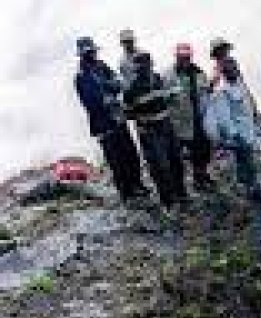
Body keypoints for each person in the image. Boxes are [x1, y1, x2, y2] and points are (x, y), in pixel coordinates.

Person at [74, 36, 147, 202]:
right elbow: (90, 102)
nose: (91, 54)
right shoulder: (80, 76)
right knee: (116, 161)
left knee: (131, 155)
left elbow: (118, 83)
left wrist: (108, 89)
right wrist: (107, 96)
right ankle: (126, 193)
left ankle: (138, 185)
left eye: (92, 51)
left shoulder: (102, 66)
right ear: (82, 54)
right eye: (88, 52)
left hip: (118, 119)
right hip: (103, 126)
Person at [124, 52, 187, 209]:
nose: (146, 69)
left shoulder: (159, 79)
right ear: (137, 70)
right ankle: (168, 202)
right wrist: (142, 118)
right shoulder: (131, 90)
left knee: (176, 161)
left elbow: (167, 99)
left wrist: (171, 98)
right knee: (160, 167)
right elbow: (128, 113)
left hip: (166, 125)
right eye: (142, 67)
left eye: (148, 65)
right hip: (150, 131)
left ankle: (181, 194)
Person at [204, 57, 261, 203]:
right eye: (230, 69)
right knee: (246, 167)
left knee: (248, 166)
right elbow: (225, 119)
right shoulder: (221, 92)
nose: (234, 71)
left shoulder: (240, 86)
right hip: (238, 137)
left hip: (248, 133)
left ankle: (251, 191)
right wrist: (235, 136)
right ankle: (252, 195)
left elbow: (247, 110)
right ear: (224, 72)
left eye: (235, 67)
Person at [164, 44, 212, 190]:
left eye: (187, 57)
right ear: (176, 57)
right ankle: (179, 186)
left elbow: (206, 91)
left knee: (202, 151)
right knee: (177, 157)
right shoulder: (168, 75)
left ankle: (201, 176)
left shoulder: (198, 72)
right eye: (181, 57)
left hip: (198, 119)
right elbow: (163, 97)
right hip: (179, 123)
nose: (185, 60)